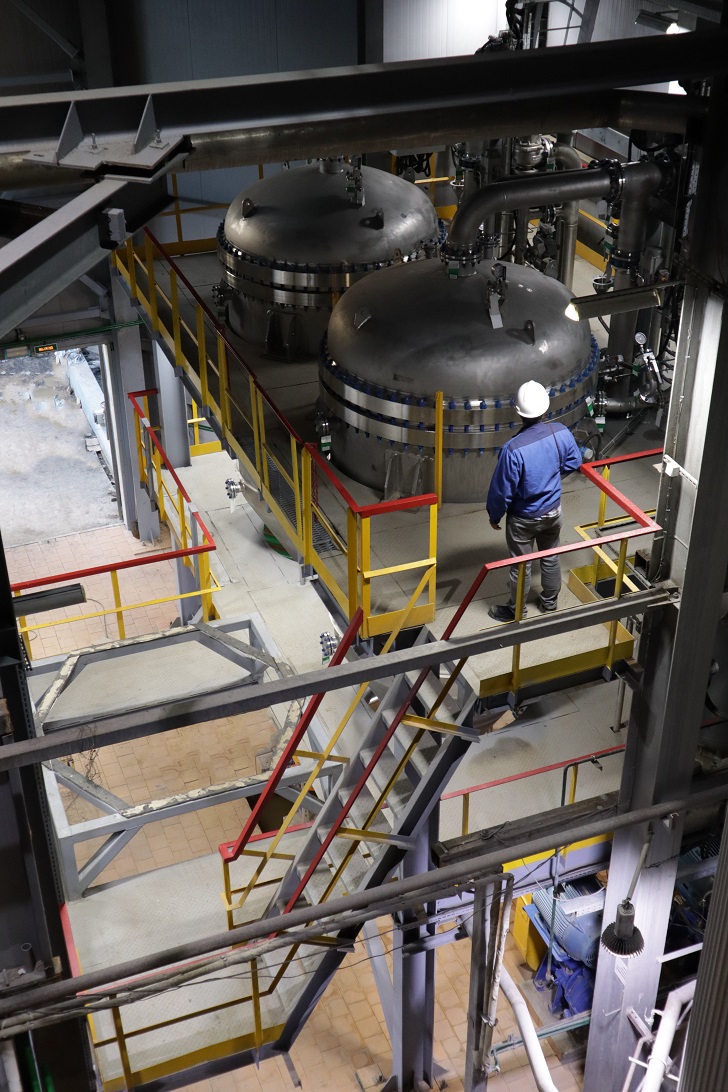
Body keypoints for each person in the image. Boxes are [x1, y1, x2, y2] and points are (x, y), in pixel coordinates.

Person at [486, 380, 582, 622]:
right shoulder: (560, 432)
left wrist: (494, 515)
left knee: (521, 565)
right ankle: (550, 603)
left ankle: (517, 610)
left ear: (518, 412)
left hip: (523, 518)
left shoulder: (513, 449)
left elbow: (502, 490)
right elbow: (574, 461)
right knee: (550, 555)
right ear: (545, 408)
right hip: (553, 512)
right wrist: (550, 478)